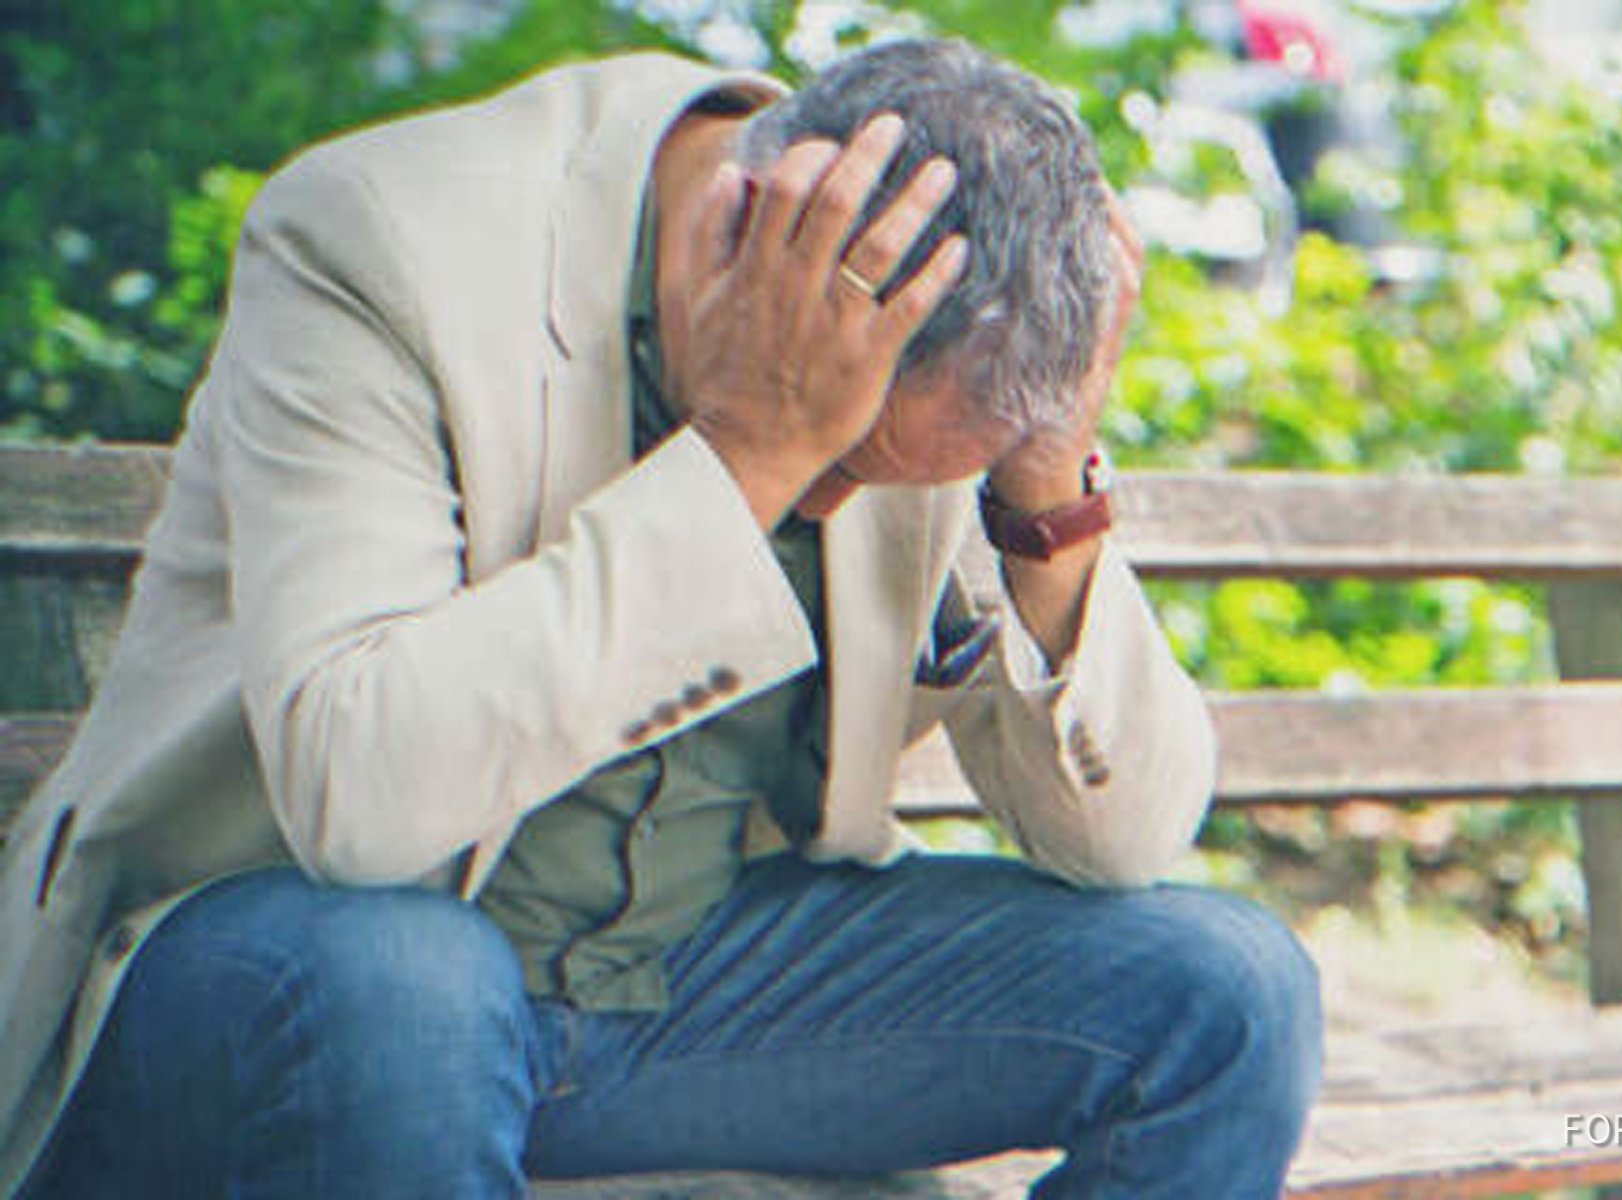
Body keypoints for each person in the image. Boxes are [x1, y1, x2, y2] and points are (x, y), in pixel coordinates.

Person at [0, 38, 1321, 1199]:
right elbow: (360, 799)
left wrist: (1043, 495)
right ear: (751, 228)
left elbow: (1123, 838)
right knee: (410, 989)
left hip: (674, 996)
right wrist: (753, 451)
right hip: (284, 987)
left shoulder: (919, 337)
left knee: (1227, 991)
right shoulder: (380, 240)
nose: (837, 505)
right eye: (843, 473)